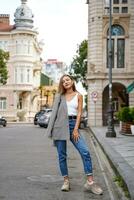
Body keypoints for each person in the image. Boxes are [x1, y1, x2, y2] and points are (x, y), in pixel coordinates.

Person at [47, 74, 103, 195]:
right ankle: (66, 181)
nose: (65, 82)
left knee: (85, 152)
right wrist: (50, 131)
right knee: (62, 155)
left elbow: (79, 114)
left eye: (67, 80)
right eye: (63, 81)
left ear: (72, 81)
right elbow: (54, 114)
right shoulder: (59, 96)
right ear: (62, 85)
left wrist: (76, 129)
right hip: (60, 126)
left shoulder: (79, 95)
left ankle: (90, 182)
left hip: (73, 124)